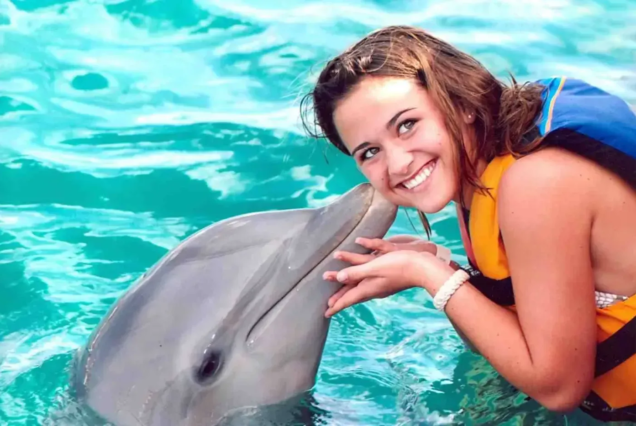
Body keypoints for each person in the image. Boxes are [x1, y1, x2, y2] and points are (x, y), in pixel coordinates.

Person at [299, 25, 636, 422]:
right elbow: (509, 346)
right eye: (370, 152)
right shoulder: (477, 179)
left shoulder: (535, 184)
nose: (398, 164)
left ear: (461, 103)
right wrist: (442, 266)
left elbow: (560, 388)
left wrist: (428, 275)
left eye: (407, 124)